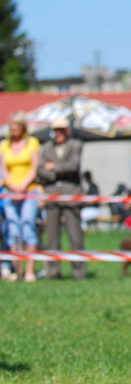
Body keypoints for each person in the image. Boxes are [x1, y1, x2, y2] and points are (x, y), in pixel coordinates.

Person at [37, 118, 85, 280]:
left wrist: (53, 167)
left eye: (62, 130)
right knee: (51, 237)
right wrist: (57, 172)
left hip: (71, 195)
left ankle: (78, 273)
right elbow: (40, 170)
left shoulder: (76, 145)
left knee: (75, 236)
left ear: (67, 131)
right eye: (56, 130)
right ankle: (52, 271)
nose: (58, 133)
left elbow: (74, 166)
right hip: (52, 195)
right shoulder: (45, 147)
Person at [0, 111, 41, 283]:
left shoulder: (32, 143)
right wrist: (12, 185)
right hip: (10, 192)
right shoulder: (4, 145)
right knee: (13, 230)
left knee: (27, 227)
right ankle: (17, 271)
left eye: (17, 126)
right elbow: (3, 169)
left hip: (28, 191)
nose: (14, 129)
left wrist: (22, 186)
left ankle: (30, 271)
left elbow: (34, 168)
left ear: (23, 126)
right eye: (12, 126)